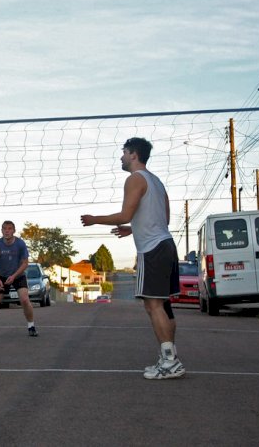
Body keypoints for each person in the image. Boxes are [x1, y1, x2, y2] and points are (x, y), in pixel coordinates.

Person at [80, 137, 184, 380]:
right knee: (164, 306)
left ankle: (170, 362)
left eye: (124, 152)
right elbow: (163, 219)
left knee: (153, 305)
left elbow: (126, 213)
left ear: (134, 155)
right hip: (166, 244)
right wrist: (132, 228)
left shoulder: (134, 179)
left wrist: (95, 218)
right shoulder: (157, 182)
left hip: (153, 249)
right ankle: (169, 357)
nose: (121, 157)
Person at [0, 220, 38, 337]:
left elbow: (25, 263)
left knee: (24, 300)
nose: (7, 231)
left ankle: (31, 326)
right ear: (2, 231)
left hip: (18, 276)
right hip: (2, 277)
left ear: (13, 231)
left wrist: (14, 276)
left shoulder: (20, 244)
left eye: (9, 229)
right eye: (4, 229)